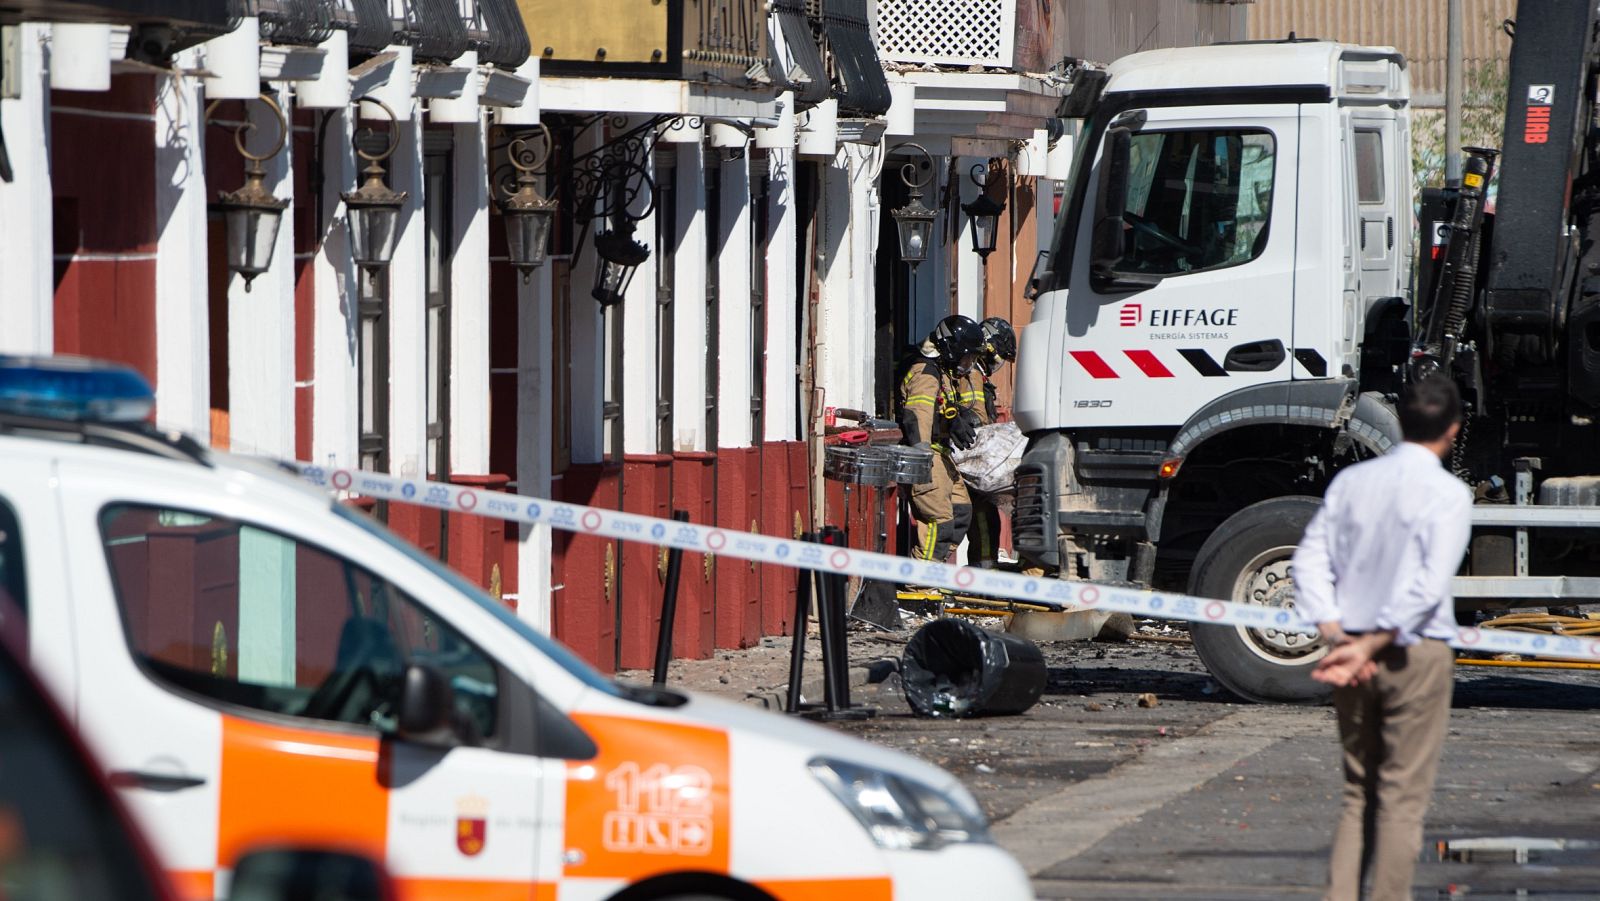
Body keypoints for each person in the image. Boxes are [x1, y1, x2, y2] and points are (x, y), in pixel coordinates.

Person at [1290, 376, 1471, 901]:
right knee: (1399, 798)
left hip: (1350, 649)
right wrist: (1367, 647)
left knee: (1357, 793)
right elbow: (1426, 586)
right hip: (1410, 653)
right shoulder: (1449, 494)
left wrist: (1337, 634)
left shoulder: (1353, 483)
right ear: (1453, 430)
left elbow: (1310, 561)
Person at [897, 315, 985, 563]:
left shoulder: (943, 371)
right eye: (968, 356)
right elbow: (918, 415)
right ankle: (920, 585)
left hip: (943, 455)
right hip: (927, 456)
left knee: (961, 512)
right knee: (940, 522)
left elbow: (944, 406)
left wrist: (959, 415)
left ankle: (933, 569)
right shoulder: (925, 371)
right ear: (952, 349)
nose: (969, 363)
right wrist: (922, 460)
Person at [959, 317, 1017, 568]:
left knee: (988, 519)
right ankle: (984, 575)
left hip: (977, 458)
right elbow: (975, 418)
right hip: (970, 457)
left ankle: (985, 571)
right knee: (982, 520)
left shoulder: (978, 376)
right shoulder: (970, 374)